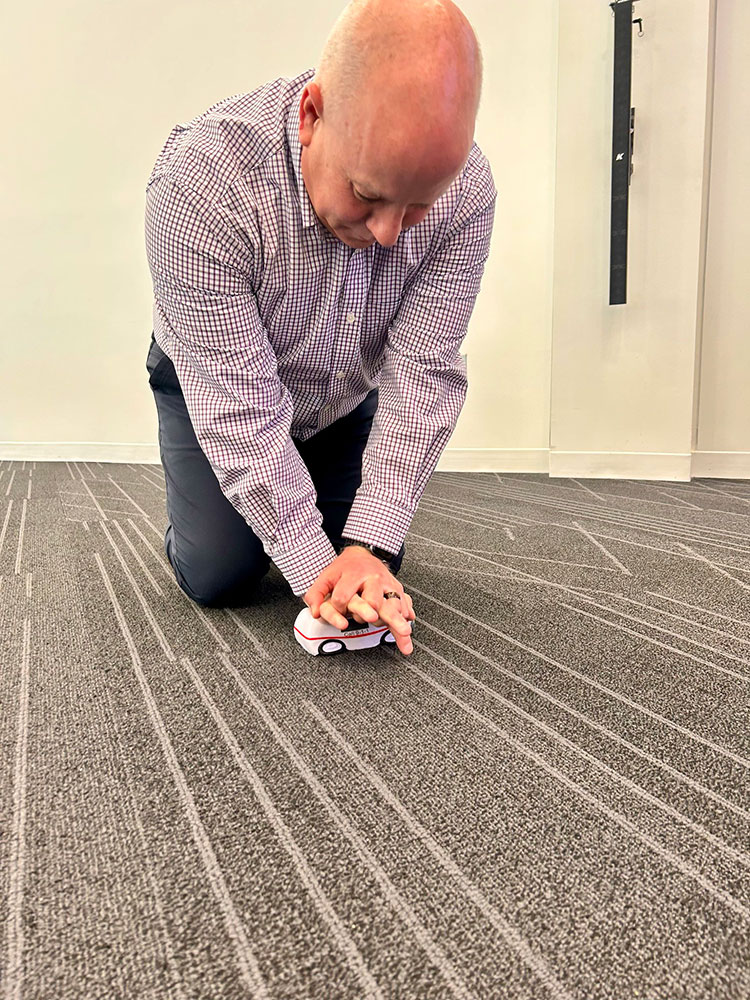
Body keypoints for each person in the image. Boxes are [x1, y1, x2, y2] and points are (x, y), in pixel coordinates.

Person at [144, 0, 496, 657]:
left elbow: (424, 375)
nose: (390, 234)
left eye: (418, 205)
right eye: (367, 193)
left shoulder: (468, 191)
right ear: (312, 116)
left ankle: (307, 487)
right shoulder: (199, 187)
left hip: (341, 396)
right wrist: (315, 567)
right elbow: (239, 408)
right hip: (217, 390)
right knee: (222, 574)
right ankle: (197, 504)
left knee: (365, 560)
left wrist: (369, 545)